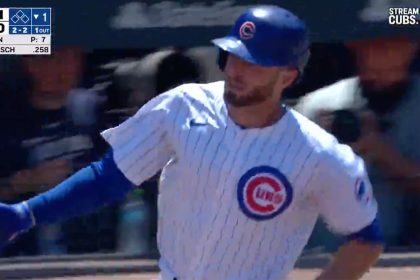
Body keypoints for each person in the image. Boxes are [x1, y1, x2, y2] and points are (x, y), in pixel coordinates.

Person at [0, 5, 383, 280]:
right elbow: (109, 177)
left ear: (287, 75)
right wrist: (28, 213)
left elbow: (365, 240)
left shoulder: (319, 154)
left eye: (253, 63)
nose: (236, 71)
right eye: (232, 56)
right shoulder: (183, 105)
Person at [295, 36, 420, 248]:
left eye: (393, 43)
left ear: (413, 44)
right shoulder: (316, 106)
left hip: (398, 258)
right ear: (354, 44)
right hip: (318, 255)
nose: (381, 53)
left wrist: (382, 152)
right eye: (373, 42)